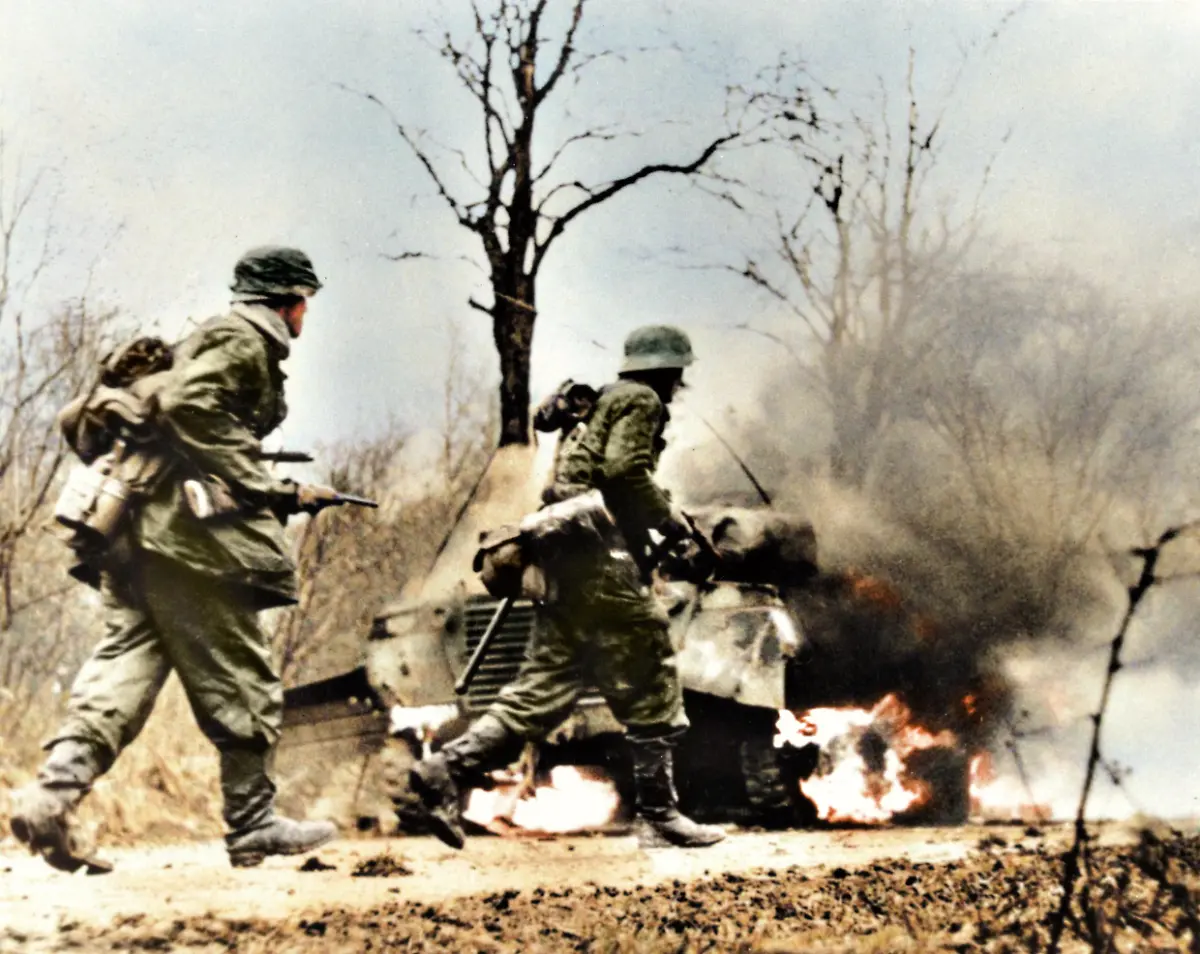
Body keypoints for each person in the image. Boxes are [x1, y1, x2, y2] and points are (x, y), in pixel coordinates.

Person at [9, 247, 341, 871]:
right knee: (244, 679)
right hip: (190, 550)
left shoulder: (206, 339)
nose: (305, 314)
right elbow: (193, 408)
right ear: (289, 300)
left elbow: (190, 421)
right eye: (304, 301)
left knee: (121, 676)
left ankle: (49, 800)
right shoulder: (242, 338)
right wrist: (276, 490)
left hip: (139, 543)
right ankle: (252, 822)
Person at [410, 325, 726, 850]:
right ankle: (659, 816)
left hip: (563, 563)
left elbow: (585, 478)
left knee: (541, 689)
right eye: (678, 377)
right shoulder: (643, 400)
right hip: (603, 561)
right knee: (651, 668)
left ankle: (445, 768)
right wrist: (672, 521)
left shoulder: (596, 405)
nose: (677, 388)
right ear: (669, 372)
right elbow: (624, 473)